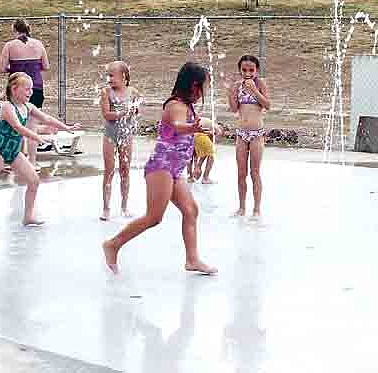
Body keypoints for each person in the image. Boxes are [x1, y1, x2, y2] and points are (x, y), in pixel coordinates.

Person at [102, 62, 218, 275]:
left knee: (191, 210)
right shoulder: (174, 105)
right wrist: (192, 128)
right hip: (161, 167)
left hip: (175, 170)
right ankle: (113, 244)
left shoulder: (187, 105)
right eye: (203, 86)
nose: (204, 92)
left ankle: (192, 260)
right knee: (154, 217)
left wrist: (210, 125)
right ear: (193, 85)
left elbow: (192, 122)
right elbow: (177, 124)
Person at [0, 72, 81, 226]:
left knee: (34, 181)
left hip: (14, 152)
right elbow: (17, 127)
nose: (30, 92)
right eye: (27, 89)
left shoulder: (28, 107)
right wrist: (36, 137)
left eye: (31, 89)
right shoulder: (7, 107)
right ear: (14, 89)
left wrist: (66, 127)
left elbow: (47, 118)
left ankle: (28, 217)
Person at [0, 18, 50, 163]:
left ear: (15, 30)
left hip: (17, 89)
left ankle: (16, 159)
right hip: (35, 87)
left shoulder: (9, 45)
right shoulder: (38, 44)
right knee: (32, 127)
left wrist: (13, 68)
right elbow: (46, 66)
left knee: (16, 126)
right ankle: (32, 162)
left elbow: (1, 68)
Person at [227, 55, 270, 219]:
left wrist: (254, 90)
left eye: (251, 70)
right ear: (240, 70)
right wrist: (230, 93)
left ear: (256, 70)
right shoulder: (237, 86)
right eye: (244, 70)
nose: (247, 73)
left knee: (255, 172)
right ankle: (241, 207)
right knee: (241, 173)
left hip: (256, 134)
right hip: (241, 134)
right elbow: (233, 108)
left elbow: (267, 105)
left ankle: (257, 209)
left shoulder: (261, 84)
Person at [100, 61, 141, 221]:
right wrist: (123, 112)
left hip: (126, 136)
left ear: (123, 76)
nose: (109, 78)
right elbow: (106, 115)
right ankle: (106, 208)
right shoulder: (106, 92)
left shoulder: (133, 92)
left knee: (125, 169)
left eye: (112, 75)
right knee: (109, 171)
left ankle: (124, 206)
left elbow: (137, 113)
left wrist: (135, 111)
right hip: (110, 135)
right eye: (108, 75)